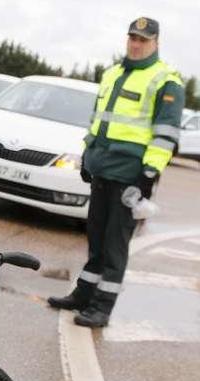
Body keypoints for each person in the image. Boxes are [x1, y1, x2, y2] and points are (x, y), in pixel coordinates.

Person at [48, 17, 184, 328]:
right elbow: (98, 121)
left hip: (130, 175)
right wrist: (88, 155)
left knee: (114, 243)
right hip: (102, 168)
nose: (136, 44)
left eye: (143, 40)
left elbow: (165, 134)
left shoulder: (166, 80)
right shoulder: (112, 74)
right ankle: (84, 295)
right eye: (132, 37)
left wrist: (149, 174)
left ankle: (102, 307)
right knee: (95, 237)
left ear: (155, 43)